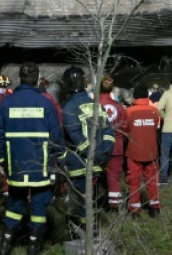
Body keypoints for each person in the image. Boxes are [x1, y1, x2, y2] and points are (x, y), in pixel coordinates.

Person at [0, 62, 65, 255]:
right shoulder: (45, 102)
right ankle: (34, 248)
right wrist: (59, 159)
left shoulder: (7, 102)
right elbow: (56, 135)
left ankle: (5, 247)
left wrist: (1, 161)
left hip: (15, 164)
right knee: (39, 205)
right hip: (40, 165)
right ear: (37, 77)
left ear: (20, 77)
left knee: (15, 204)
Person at [60, 65, 116, 237]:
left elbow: (74, 135)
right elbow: (109, 130)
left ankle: (83, 233)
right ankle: (90, 230)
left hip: (79, 162)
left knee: (80, 200)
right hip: (97, 163)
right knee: (90, 198)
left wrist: (92, 154)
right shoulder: (96, 104)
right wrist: (104, 153)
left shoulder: (68, 107)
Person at [124, 84, 162, 218]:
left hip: (134, 152)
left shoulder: (129, 111)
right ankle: (155, 208)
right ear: (147, 96)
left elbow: (125, 129)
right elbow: (156, 128)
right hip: (151, 151)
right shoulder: (154, 111)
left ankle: (135, 211)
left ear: (135, 96)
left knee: (133, 181)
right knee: (152, 181)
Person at [99, 75, 127, 210]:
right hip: (116, 145)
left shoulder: (94, 105)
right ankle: (115, 204)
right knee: (114, 176)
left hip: (99, 146)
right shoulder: (118, 106)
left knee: (94, 176)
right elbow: (125, 126)